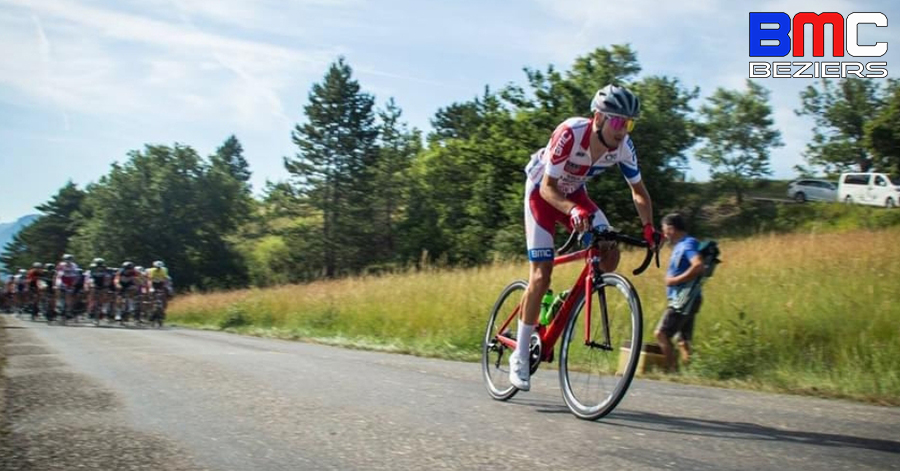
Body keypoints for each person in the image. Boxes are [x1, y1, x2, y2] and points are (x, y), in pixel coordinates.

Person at [511, 84, 659, 391]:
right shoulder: (571, 133)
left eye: (629, 123)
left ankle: (571, 298)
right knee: (541, 274)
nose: (623, 130)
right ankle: (520, 354)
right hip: (542, 192)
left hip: (574, 193)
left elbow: (638, 192)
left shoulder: (624, 147)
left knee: (610, 252)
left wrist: (649, 228)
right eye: (618, 121)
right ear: (599, 118)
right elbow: (548, 188)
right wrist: (573, 211)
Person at [654, 213, 705, 372]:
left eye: (664, 230)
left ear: (671, 228)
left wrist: (674, 281)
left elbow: (698, 265)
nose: (664, 234)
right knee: (683, 340)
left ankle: (672, 370)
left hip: (683, 300)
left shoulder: (687, 244)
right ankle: (689, 371)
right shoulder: (683, 245)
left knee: (661, 334)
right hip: (690, 299)